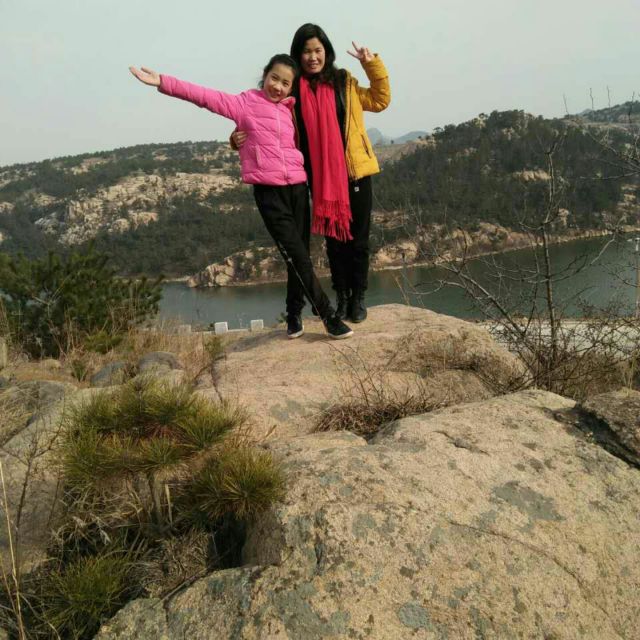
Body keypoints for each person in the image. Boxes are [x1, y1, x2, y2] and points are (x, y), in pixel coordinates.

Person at [129, 55, 353, 340]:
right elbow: (205, 97)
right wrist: (163, 81)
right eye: (274, 78)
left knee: (299, 257)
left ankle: (293, 314)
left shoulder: (290, 110)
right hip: (269, 193)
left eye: (285, 83)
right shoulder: (245, 103)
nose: (278, 87)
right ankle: (328, 316)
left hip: (298, 188)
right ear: (265, 75)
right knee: (297, 255)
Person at [232, 24, 390, 323]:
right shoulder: (294, 93)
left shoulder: (345, 82)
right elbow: (264, 122)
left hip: (355, 173)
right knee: (334, 243)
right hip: (319, 178)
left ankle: (358, 298)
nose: (313, 57)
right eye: (306, 51)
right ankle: (342, 297)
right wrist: (236, 137)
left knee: (358, 241)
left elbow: (380, 100)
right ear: (298, 54)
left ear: (326, 51)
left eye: (318, 50)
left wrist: (371, 64)